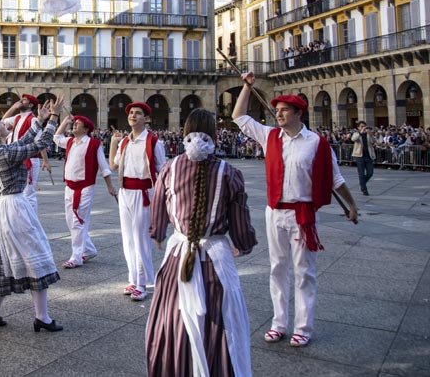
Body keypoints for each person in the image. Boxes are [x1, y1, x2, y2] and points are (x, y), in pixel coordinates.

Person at [232, 72, 358, 347]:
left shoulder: (316, 143)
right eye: (276, 110)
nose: (278, 114)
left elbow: (335, 179)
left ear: (298, 113)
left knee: (304, 272)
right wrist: (246, 87)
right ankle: (279, 323)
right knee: (277, 267)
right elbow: (239, 117)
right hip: (274, 211)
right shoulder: (270, 137)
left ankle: (303, 327)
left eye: (284, 110)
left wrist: (352, 205)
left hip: (302, 213)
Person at [146, 109, 257, 377]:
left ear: (184, 133)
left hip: (179, 256)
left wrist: (159, 233)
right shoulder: (229, 173)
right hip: (214, 259)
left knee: (173, 319)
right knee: (219, 321)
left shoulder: (170, 169)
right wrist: (243, 243)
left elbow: (158, 208)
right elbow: (241, 226)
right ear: (215, 136)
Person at [0, 95, 66, 332]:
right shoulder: (4, 154)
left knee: (8, 260)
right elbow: (37, 145)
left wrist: (39, 119)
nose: (4, 124)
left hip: (5, 207)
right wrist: (54, 118)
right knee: (37, 255)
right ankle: (42, 318)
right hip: (14, 207)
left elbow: (23, 140)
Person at [108, 102, 166, 301]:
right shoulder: (125, 141)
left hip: (143, 192)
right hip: (125, 192)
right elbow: (113, 166)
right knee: (128, 239)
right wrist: (114, 143)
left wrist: (161, 197)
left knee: (141, 239)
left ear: (146, 118)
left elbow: (162, 170)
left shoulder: (153, 141)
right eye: (131, 113)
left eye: (138, 113)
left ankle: (142, 283)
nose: (133, 116)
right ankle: (133, 278)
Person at [53, 115, 116, 269]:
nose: (74, 125)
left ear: (86, 128)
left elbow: (104, 167)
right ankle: (88, 249)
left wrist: (110, 186)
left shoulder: (94, 144)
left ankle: (76, 257)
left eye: (77, 124)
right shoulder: (69, 142)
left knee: (78, 221)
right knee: (70, 221)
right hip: (69, 187)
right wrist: (64, 122)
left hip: (85, 187)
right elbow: (56, 137)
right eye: (73, 123)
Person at [1, 94, 50, 213]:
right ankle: (21, 217)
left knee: (28, 192)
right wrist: (13, 107)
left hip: (30, 159)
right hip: (16, 158)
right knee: (18, 192)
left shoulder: (33, 119)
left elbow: (39, 142)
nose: (21, 101)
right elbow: (2, 121)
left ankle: (32, 220)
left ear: (31, 105)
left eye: (24, 100)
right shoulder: (17, 117)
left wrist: (45, 160)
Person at [352, 121, 376, 196]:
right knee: (361, 174)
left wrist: (371, 135)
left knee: (370, 172)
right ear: (358, 127)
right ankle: (364, 189)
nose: (363, 128)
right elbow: (353, 139)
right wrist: (360, 133)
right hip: (359, 156)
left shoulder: (368, 134)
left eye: (364, 126)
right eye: (361, 126)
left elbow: (374, 141)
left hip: (368, 156)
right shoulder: (356, 134)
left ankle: (362, 183)